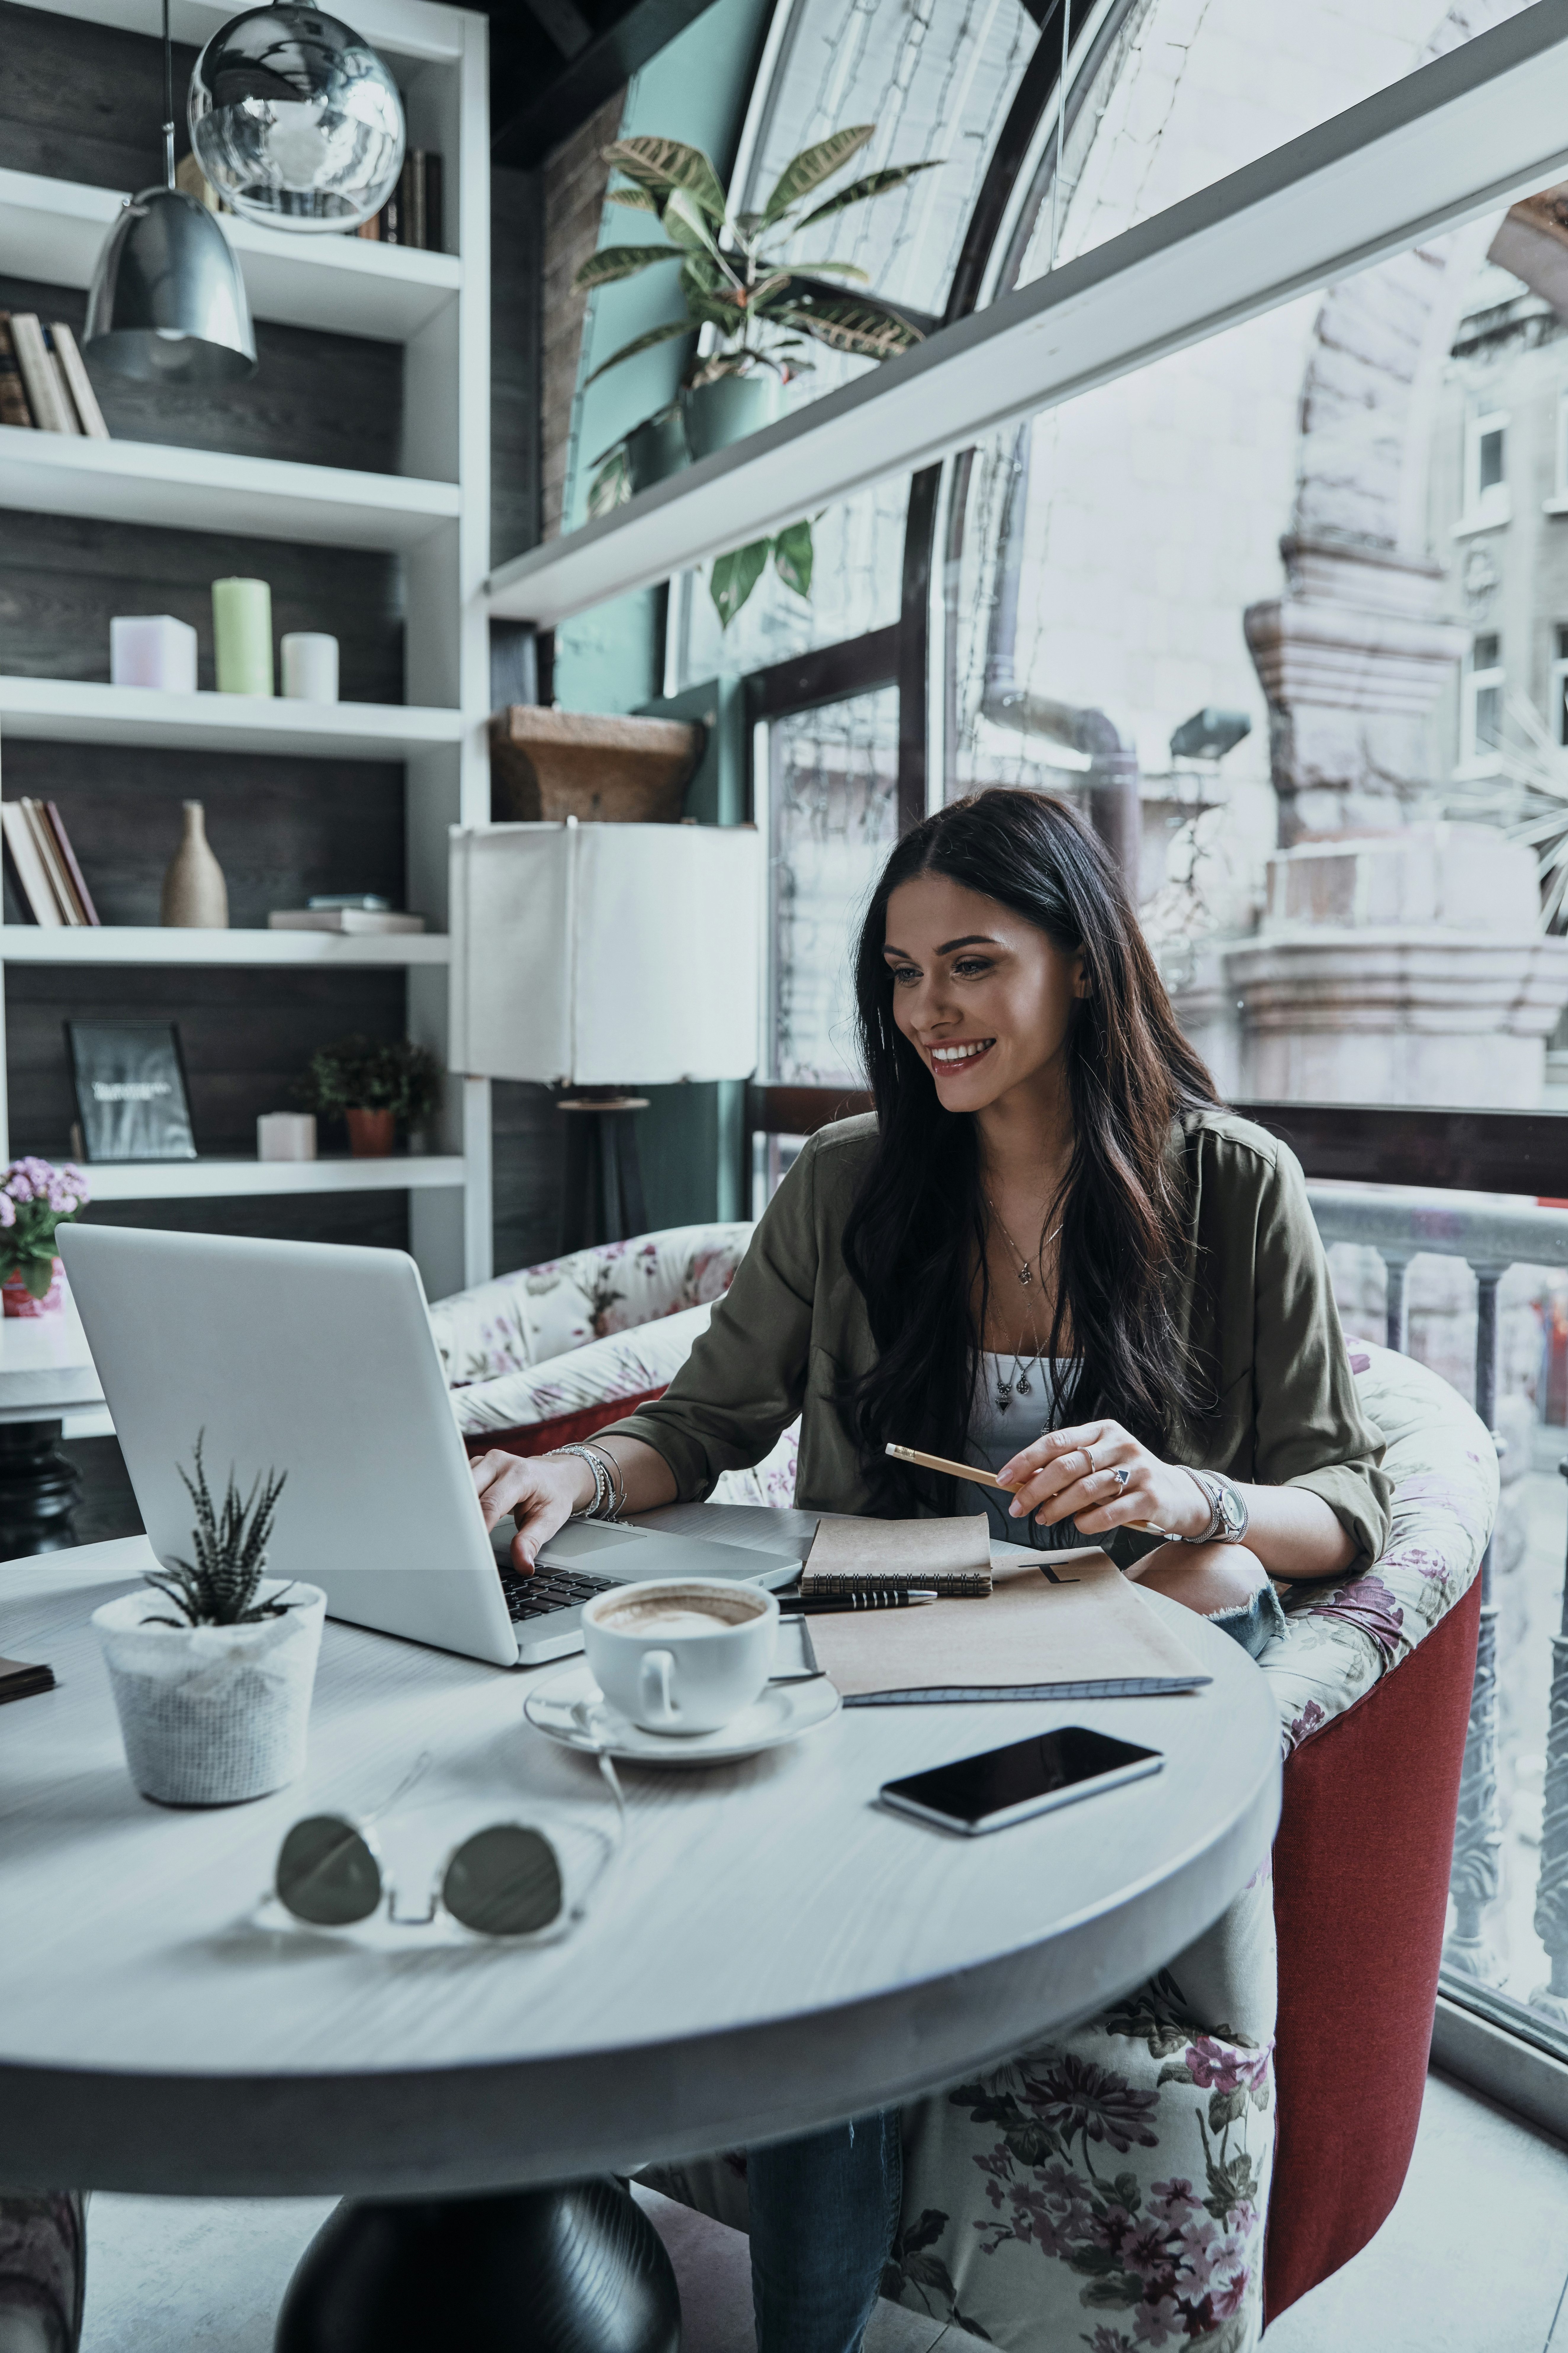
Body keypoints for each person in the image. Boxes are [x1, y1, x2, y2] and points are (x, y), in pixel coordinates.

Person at [470, 786, 1391, 2353]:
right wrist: (575, 1465)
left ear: (1083, 965)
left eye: (972, 964)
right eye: (901, 974)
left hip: (1097, 1650)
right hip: (887, 1631)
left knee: (1210, 1596)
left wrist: (1192, 1494)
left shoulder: (1233, 1187)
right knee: (723, 1846)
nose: (929, 1012)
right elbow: (701, 1428)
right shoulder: (848, 1180)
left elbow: (1343, 1502)